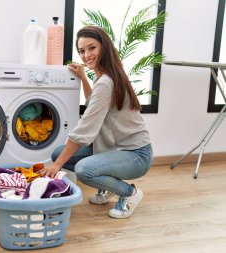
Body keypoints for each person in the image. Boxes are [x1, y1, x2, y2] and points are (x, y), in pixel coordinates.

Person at [39, 25, 153, 219]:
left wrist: (57, 165)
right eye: (82, 51)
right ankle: (108, 188)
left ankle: (129, 193)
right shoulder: (107, 77)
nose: (86, 55)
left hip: (136, 154)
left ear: (104, 47)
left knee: (84, 169)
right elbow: (94, 103)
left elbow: (84, 129)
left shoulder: (106, 82)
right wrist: (84, 77)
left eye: (92, 48)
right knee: (59, 153)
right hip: (115, 149)